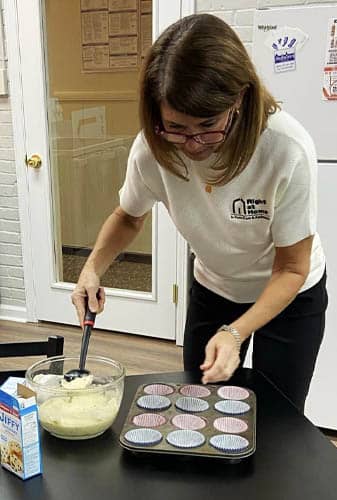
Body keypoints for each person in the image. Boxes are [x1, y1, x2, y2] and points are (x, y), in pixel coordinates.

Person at [71, 14, 328, 412]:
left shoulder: (285, 148)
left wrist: (236, 332)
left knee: (279, 417)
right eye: (176, 127)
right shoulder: (153, 147)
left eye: (208, 125)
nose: (192, 145)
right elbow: (129, 216)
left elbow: (292, 269)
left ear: (239, 98)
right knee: (197, 406)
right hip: (216, 286)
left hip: (289, 293)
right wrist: (91, 269)